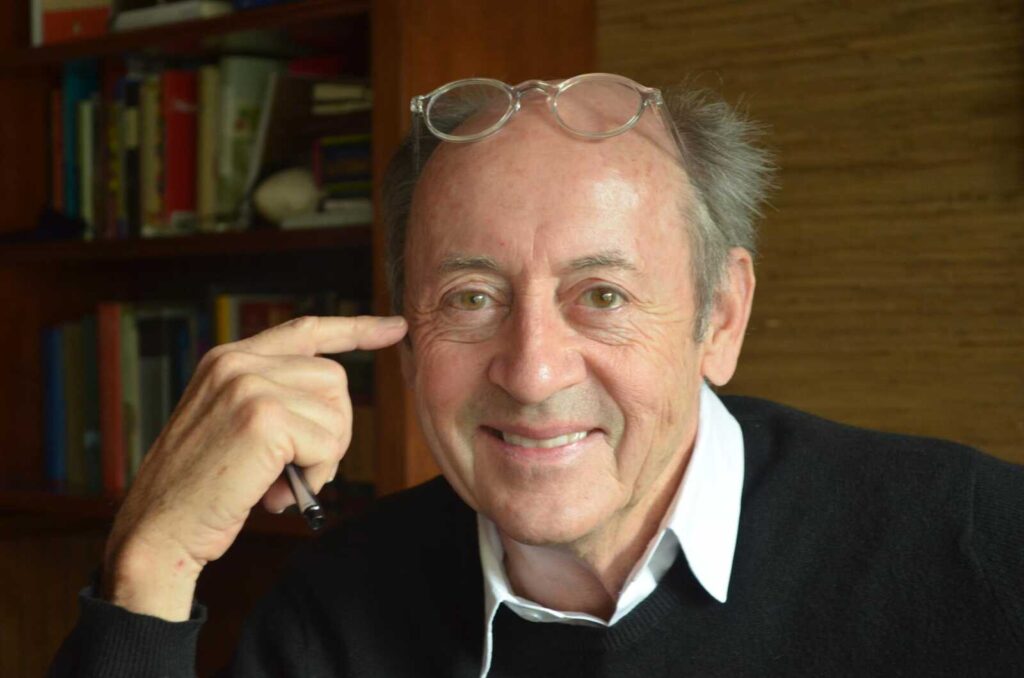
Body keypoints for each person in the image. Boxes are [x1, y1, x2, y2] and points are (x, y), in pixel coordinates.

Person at [51, 74, 1023, 677]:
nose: (531, 369)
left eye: (601, 294)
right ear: (400, 331)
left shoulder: (980, 548)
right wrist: (151, 566)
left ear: (720, 317)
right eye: (471, 297)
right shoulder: (332, 613)